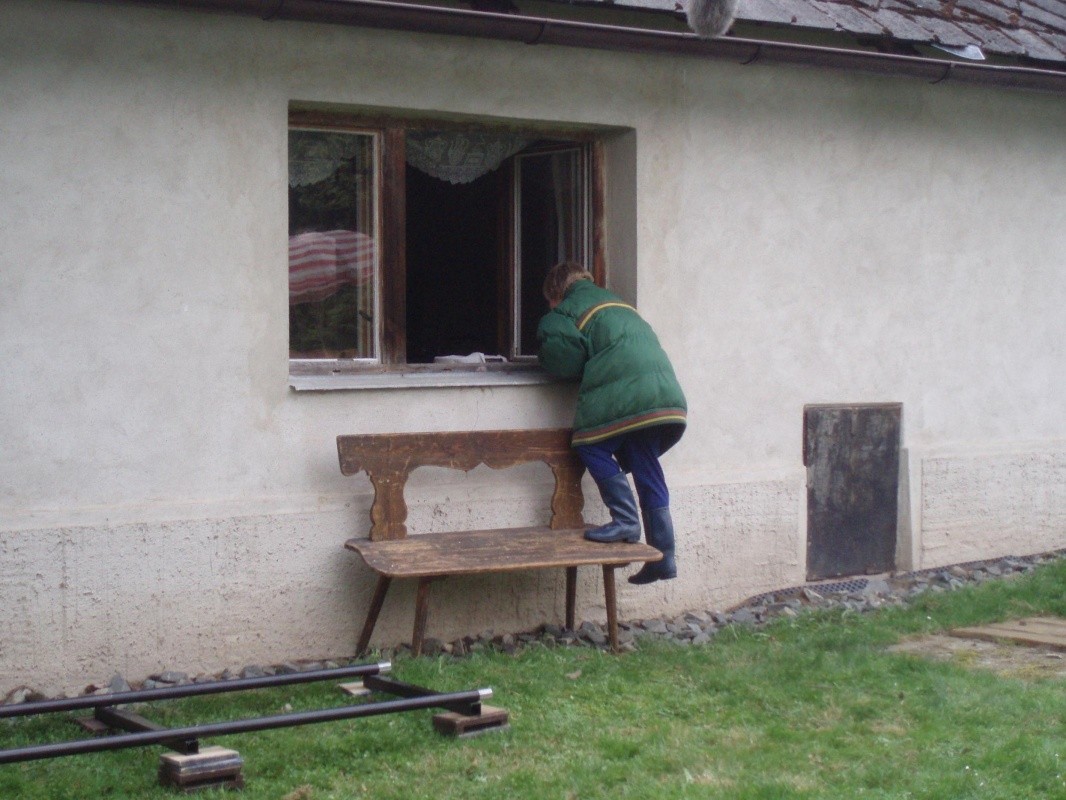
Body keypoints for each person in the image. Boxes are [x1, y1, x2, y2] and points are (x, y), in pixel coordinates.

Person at [536, 262, 687, 584]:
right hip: (663, 393)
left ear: (555, 293)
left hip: (628, 391)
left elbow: (562, 364)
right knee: (644, 460)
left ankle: (626, 521)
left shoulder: (564, 312)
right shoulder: (619, 304)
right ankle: (665, 556)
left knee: (590, 445)